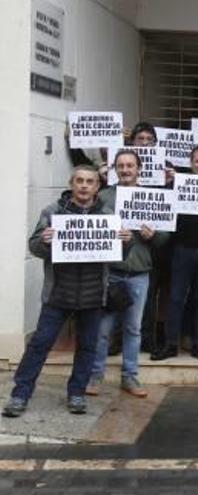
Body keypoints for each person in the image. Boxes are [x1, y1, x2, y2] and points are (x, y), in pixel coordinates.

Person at [2, 166, 132, 417]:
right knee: (40, 344)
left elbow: (119, 256)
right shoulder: (52, 212)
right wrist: (44, 241)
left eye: (90, 182)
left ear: (97, 187)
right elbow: (34, 246)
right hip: (58, 293)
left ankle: (77, 394)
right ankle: (20, 395)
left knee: (87, 347)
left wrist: (127, 241)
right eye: (80, 181)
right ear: (72, 184)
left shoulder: (108, 214)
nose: (84, 186)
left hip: (93, 294)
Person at [87, 151, 169, 399]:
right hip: (109, 273)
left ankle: (130, 377)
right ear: (114, 169)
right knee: (103, 329)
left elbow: (165, 238)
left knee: (133, 329)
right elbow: (90, 229)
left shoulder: (152, 197)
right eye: (121, 166)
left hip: (139, 274)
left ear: (139, 169)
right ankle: (95, 375)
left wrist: (152, 235)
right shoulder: (102, 196)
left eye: (130, 165)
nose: (125, 170)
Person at [152, 146, 198, 362]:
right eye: (197, 161)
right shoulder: (178, 186)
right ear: (191, 164)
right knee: (175, 298)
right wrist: (169, 183)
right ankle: (171, 344)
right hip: (182, 249)